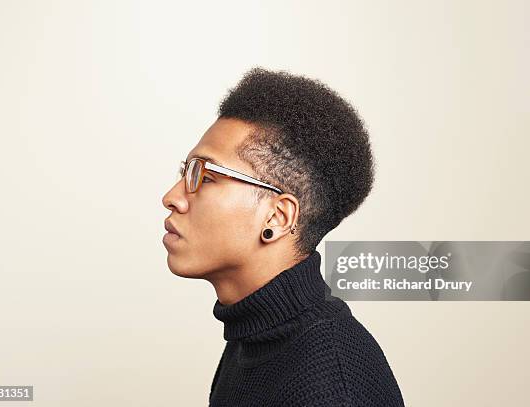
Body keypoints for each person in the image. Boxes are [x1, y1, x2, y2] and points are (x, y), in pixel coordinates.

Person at [161, 67, 405, 406]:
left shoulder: (329, 385)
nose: (172, 196)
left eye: (205, 177)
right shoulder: (253, 338)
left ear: (277, 216)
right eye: (185, 172)